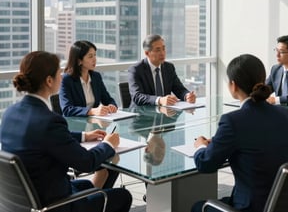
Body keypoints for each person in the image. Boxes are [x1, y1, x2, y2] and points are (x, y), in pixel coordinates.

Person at [0, 51, 132, 212]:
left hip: (27, 198)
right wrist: (108, 145)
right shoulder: (49, 121)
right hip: (54, 204)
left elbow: (43, 138)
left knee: (86, 184)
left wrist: (84, 136)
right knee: (123, 196)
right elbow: (86, 162)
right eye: (59, 73)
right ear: (49, 80)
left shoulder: (10, 113)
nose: (61, 77)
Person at [191, 54, 288, 212]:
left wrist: (200, 146)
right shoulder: (283, 114)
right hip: (281, 203)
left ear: (233, 85)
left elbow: (205, 164)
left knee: (198, 207)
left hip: (250, 206)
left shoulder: (233, 121)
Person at [59, 40, 119, 189]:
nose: (95, 59)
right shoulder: (67, 80)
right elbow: (66, 109)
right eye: (90, 56)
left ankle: (102, 195)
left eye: (95, 55)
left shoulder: (96, 77)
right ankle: (98, 195)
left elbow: (108, 98)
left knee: (114, 158)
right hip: (77, 133)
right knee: (109, 158)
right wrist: (91, 111)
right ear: (79, 60)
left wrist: (111, 106)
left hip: (96, 129)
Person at [128, 34, 196, 106]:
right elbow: (137, 96)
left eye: (163, 49)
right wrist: (159, 100)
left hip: (165, 113)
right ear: (147, 53)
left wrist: (187, 95)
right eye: (158, 50)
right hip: (141, 114)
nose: (162, 53)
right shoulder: (136, 70)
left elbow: (179, 89)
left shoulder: (169, 67)